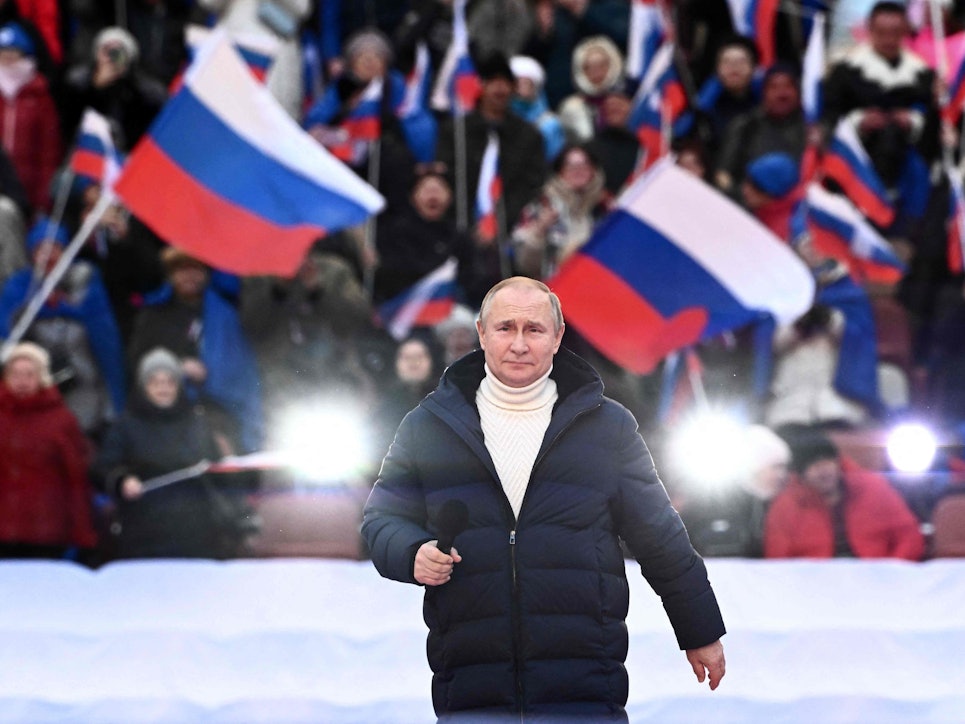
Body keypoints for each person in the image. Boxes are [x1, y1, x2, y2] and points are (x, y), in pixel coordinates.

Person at [361, 277, 726, 721]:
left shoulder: (607, 426)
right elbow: (381, 520)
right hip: (472, 683)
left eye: (533, 330)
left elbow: (659, 535)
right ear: (480, 333)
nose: (518, 343)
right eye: (505, 328)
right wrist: (410, 552)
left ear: (557, 337)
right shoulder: (427, 426)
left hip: (585, 678)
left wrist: (700, 630)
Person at [93, 347, 250, 559]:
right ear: (143, 387)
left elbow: (218, 471)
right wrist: (123, 481)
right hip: (143, 531)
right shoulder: (126, 425)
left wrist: (226, 463)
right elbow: (103, 467)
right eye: (155, 382)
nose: (163, 388)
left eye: (169, 382)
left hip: (195, 531)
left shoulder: (196, 421)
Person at [764, 430, 926, 559]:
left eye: (827, 460)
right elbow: (778, 559)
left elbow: (909, 536)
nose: (823, 470)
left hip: (876, 581)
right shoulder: (786, 505)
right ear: (800, 474)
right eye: (812, 465)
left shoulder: (874, 488)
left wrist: (892, 571)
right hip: (815, 589)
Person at [0, 342, 96, 559]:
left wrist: (83, 533)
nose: (22, 381)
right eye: (15, 374)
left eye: (29, 374)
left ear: (42, 377)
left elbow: (76, 479)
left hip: (46, 532)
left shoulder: (61, 420)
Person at [511, 142, 608, 279]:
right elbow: (524, 264)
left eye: (584, 165)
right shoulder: (543, 204)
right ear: (560, 171)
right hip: (554, 290)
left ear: (593, 170)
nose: (578, 170)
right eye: (571, 166)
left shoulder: (603, 208)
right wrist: (539, 230)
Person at [0, 20, 61, 214]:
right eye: (3, 52)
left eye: (13, 52)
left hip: (27, 191)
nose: (8, 58)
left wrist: (43, 200)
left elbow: (48, 152)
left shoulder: (40, 96)